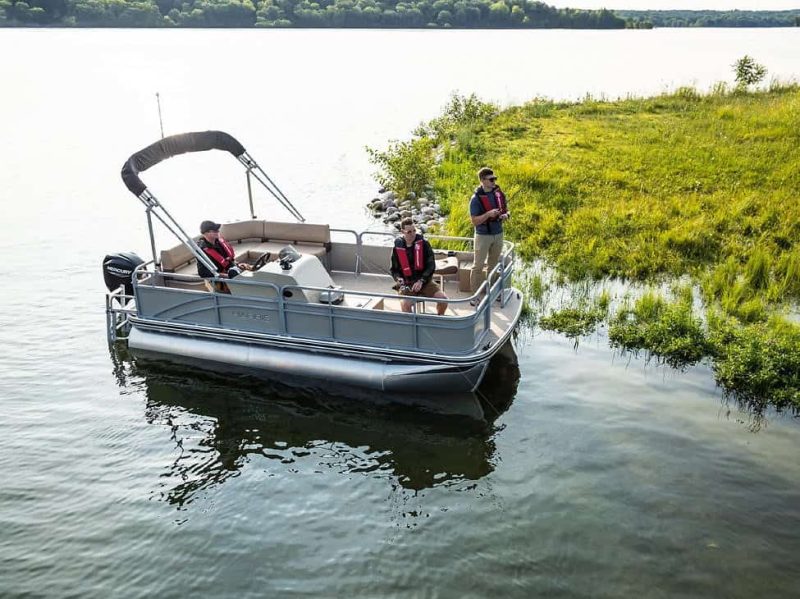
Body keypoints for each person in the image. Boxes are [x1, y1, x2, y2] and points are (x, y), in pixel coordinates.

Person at [390, 218, 448, 316]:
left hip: (424, 281)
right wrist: (398, 278)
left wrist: (421, 280)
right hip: (407, 283)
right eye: (409, 232)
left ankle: (439, 319)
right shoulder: (397, 247)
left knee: (444, 300)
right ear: (402, 232)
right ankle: (412, 328)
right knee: (405, 304)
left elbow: (431, 265)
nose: (412, 234)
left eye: (414, 231)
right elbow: (394, 269)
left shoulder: (424, 244)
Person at [469, 167, 509, 304]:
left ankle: (491, 291)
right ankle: (475, 297)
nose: (494, 181)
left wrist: (505, 215)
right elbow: (474, 221)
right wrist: (488, 214)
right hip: (483, 236)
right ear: (482, 181)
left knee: (493, 265)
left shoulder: (498, 194)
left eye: (494, 179)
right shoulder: (475, 199)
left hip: (498, 234)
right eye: (491, 179)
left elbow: (506, 210)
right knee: (478, 266)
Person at [196, 220, 252, 292]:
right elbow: (203, 273)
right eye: (214, 230)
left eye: (217, 230)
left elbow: (229, 260)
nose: (217, 231)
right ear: (206, 233)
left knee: (253, 270)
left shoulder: (219, 242)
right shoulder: (201, 251)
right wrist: (226, 275)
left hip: (232, 270)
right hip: (219, 279)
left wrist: (237, 266)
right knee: (247, 284)